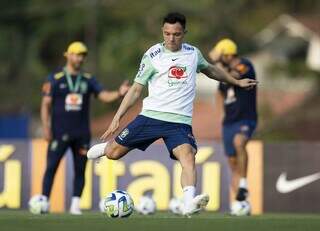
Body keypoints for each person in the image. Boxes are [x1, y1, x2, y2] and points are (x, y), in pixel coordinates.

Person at [87, 13, 257, 216]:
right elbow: (135, 89)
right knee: (114, 154)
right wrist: (117, 117)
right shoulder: (152, 55)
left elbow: (211, 70)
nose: (171, 38)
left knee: (188, 156)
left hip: (179, 122)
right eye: (167, 33)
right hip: (150, 116)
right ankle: (105, 148)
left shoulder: (193, 54)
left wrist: (236, 82)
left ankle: (188, 203)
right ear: (162, 32)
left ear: (184, 33)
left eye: (176, 34)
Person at [40, 41, 130, 215]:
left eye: (83, 55)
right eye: (77, 54)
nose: (80, 58)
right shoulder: (55, 79)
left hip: (81, 133)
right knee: (51, 167)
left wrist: (119, 93)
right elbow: (46, 104)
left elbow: (104, 96)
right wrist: (46, 127)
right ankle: (43, 201)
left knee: (81, 169)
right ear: (68, 55)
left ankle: (75, 204)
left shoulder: (88, 80)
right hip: (59, 132)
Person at [209, 38, 257, 210]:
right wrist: (221, 113)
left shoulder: (244, 65)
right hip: (228, 122)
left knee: (239, 142)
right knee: (232, 162)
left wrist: (215, 62)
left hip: (245, 118)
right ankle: (241, 203)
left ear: (226, 54)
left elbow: (234, 77)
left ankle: (243, 183)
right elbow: (220, 92)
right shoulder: (224, 71)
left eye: (220, 54)